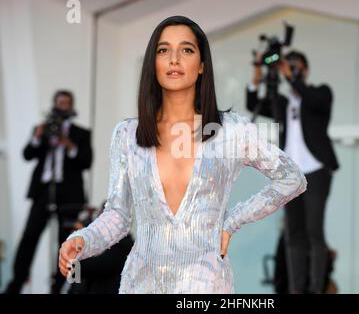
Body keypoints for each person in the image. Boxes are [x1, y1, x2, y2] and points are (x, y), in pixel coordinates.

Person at [59, 15, 307, 294]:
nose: (174, 59)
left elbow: (292, 178)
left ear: (202, 65)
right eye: (163, 50)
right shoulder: (127, 134)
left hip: (205, 285)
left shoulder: (231, 131)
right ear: (154, 63)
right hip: (140, 283)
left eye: (186, 50)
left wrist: (232, 222)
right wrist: (83, 238)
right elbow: (118, 214)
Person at [246, 51, 339, 293]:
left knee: (313, 231)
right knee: (293, 233)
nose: (290, 72)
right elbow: (252, 103)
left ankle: (317, 287)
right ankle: (297, 289)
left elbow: (312, 98)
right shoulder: (283, 104)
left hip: (317, 171)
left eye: (296, 68)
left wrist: (291, 77)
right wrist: (258, 72)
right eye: (288, 68)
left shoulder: (320, 93)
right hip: (290, 175)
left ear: (305, 71)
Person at [4, 90, 93, 294]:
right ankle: (15, 284)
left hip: (69, 195)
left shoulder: (81, 133)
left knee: (66, 242)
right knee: (29, 237)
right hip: (43, 192)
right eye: (59, 103)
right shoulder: (42, 129)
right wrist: (37, 137)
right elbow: (27, 154)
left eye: (66, 103)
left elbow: (86, 161)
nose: (62, 106)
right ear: (54, 105)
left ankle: (58, 287)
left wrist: (68, 143)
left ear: (72, 107)